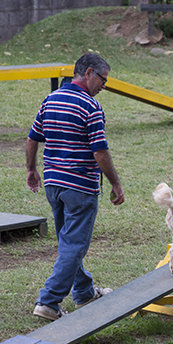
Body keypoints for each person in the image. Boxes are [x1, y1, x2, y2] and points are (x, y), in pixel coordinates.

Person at [26, 53, 125, 321]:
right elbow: (100, 152)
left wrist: (31, 168)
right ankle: (48, 302)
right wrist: (116, 183)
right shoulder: (90, 107)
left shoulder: (51, 99)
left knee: (68, 241)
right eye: (103, 80)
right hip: (80, 187)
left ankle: (83, 292)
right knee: (74, 245)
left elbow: (33, 137)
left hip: (53, 185)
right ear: (89, 73)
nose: (104, 85)